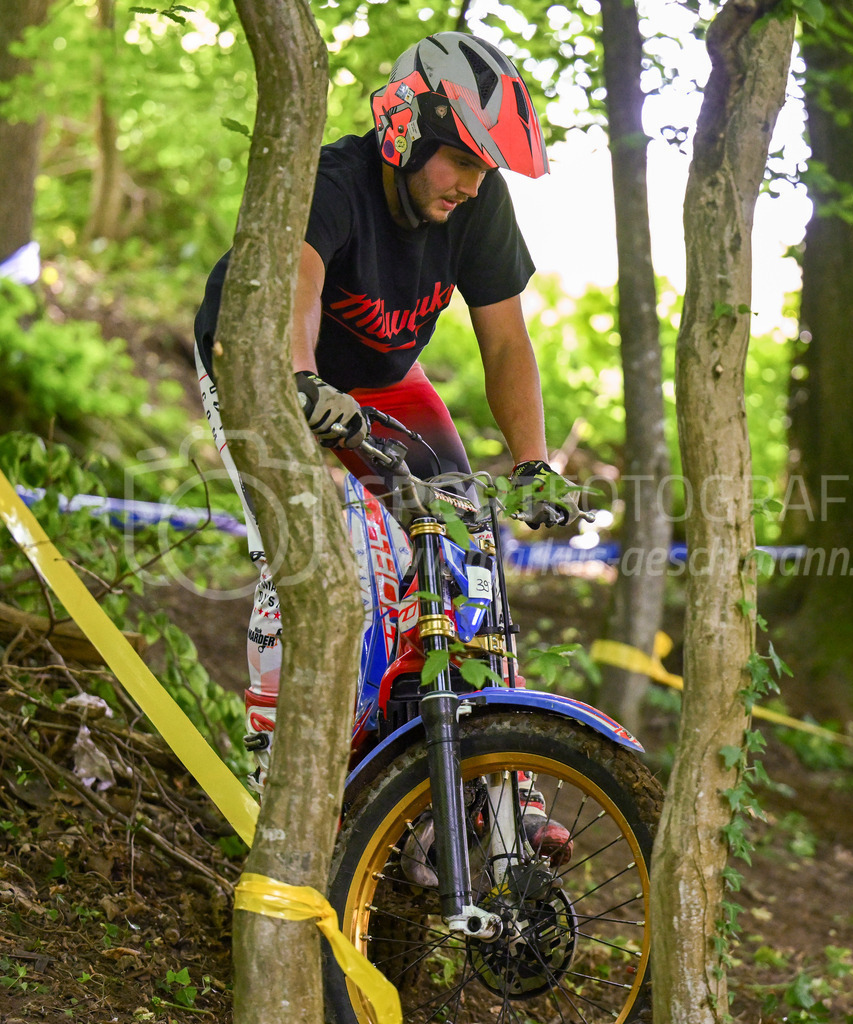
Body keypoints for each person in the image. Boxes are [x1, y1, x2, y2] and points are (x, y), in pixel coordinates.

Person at [193, 32, 580, 862]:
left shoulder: (478, 207)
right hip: (259, 356)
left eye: (485, 168)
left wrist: (533, 461)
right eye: (462, 161)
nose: (474, 183)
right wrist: (297, 378)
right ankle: (284, 771)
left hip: (379, 381)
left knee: (467, 544)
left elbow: (507, 342)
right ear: (407, 128)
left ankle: (492, 787)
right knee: (319, 549)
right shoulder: (332, 182)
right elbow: (295, 282)